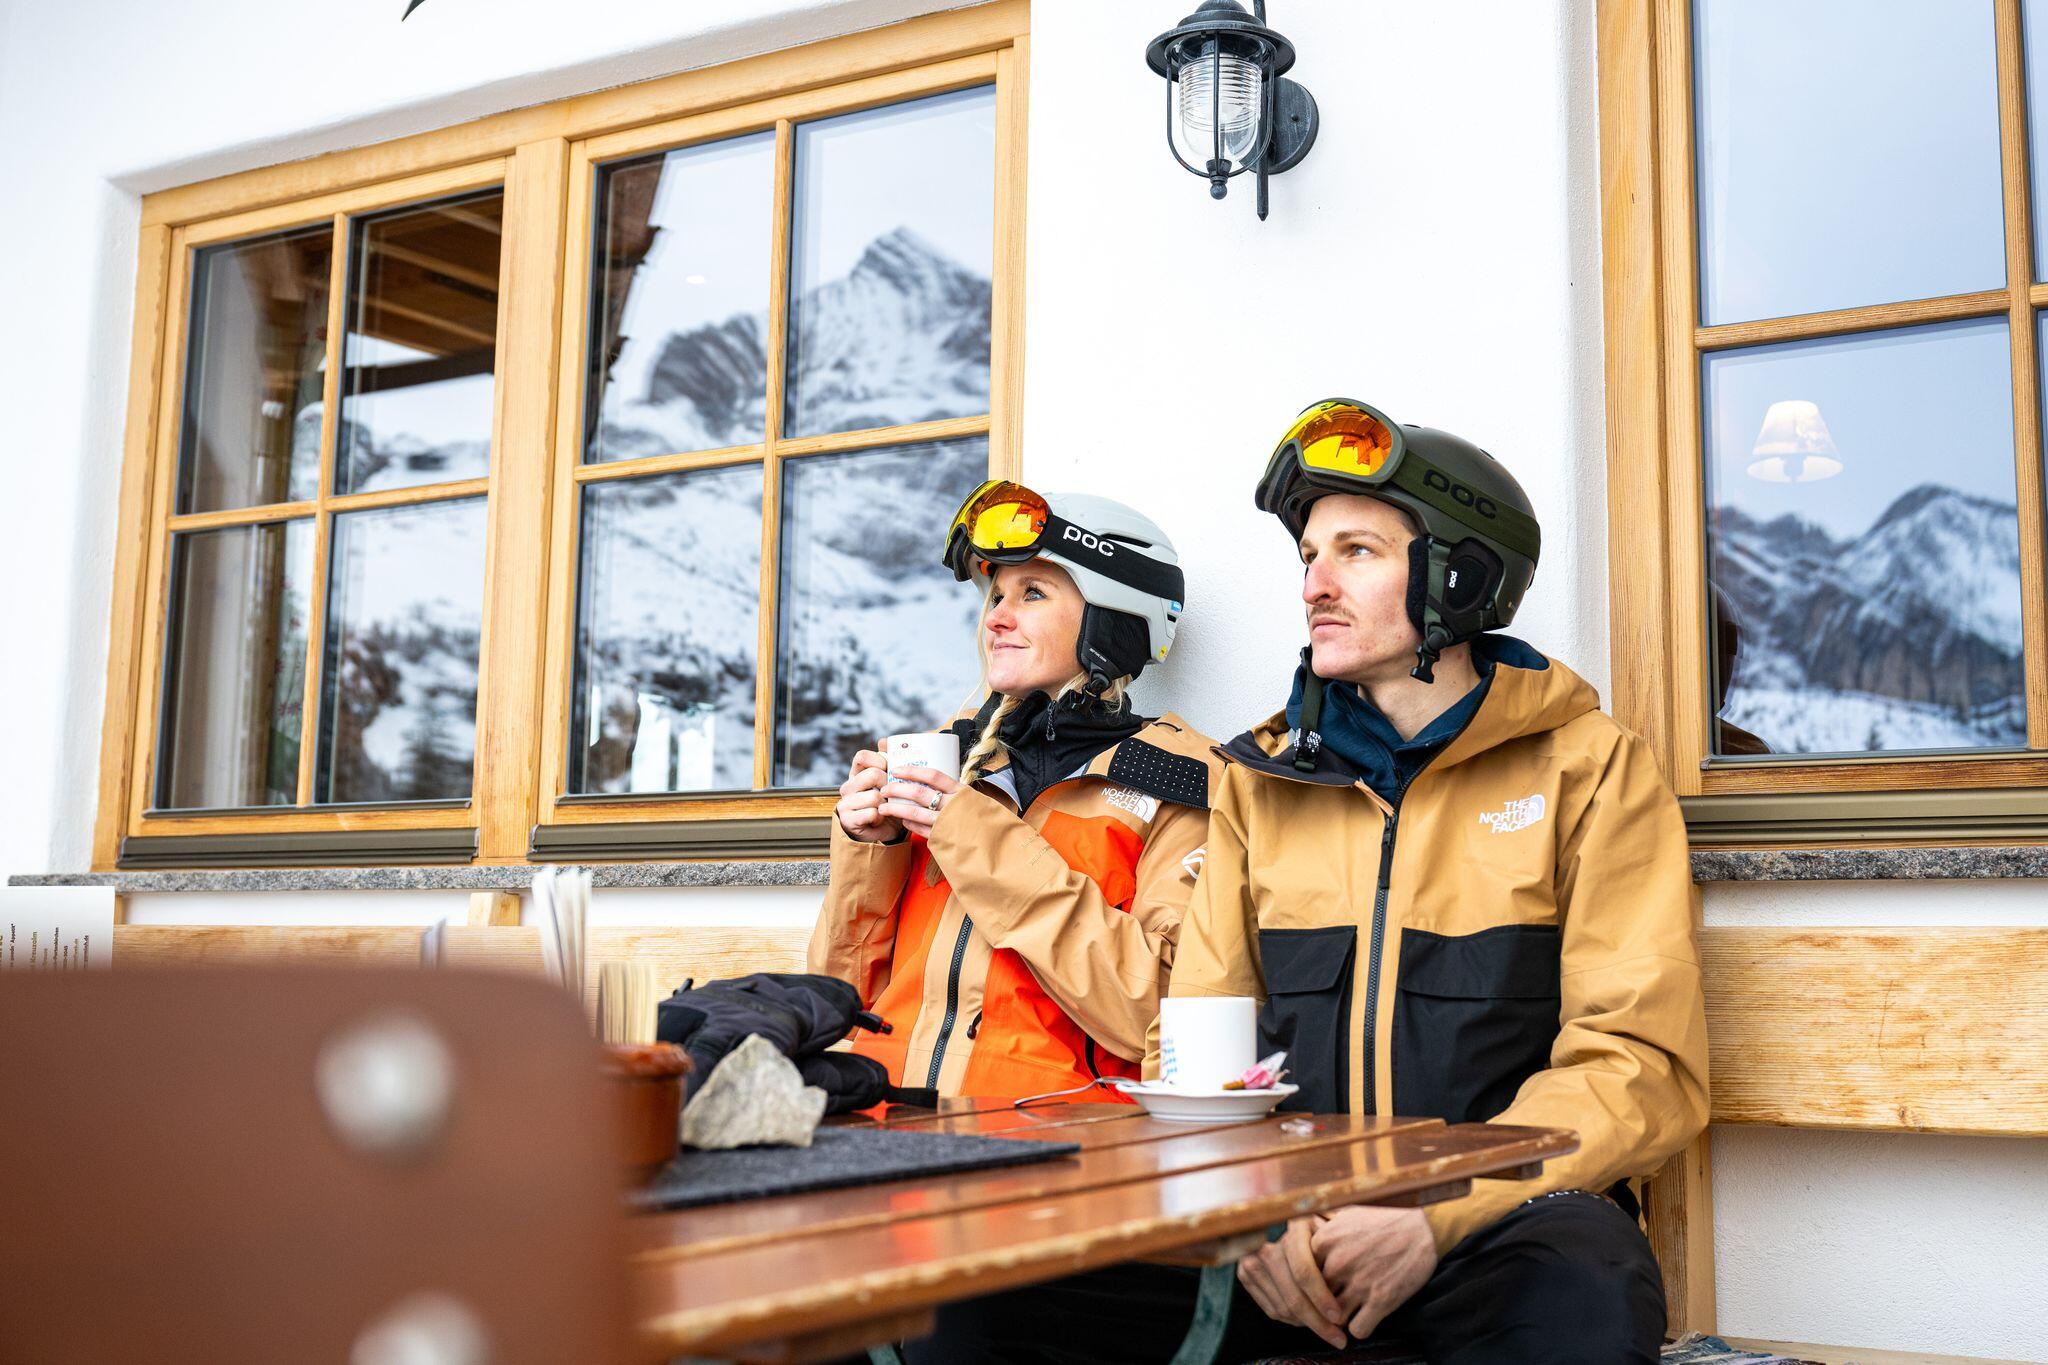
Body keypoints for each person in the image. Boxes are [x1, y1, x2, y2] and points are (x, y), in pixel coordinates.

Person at [909, 401, 1709, 1363]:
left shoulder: (1590, 769)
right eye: (1309, 557)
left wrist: (1438, 1209)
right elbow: (1196, 1042)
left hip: (1497, 1220)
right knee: (977, 1299)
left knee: (1589, 1302)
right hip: (1279, 1220)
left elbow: (1636, 1063)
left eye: (1356, 552)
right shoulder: (1265, 780)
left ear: (1462, 576)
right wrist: (1249, 1212)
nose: (1314, 585)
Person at [807, 480, 1221, 1103]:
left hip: (1053, 1137)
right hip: (886, 1122)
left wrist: (976, 838)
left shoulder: (1179, 781)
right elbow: (837, 1003)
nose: (997, 618)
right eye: (997, 595)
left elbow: (1159, 1016)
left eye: (1033, 593)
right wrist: (871, 850)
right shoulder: (951, 763)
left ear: (1113, 617)